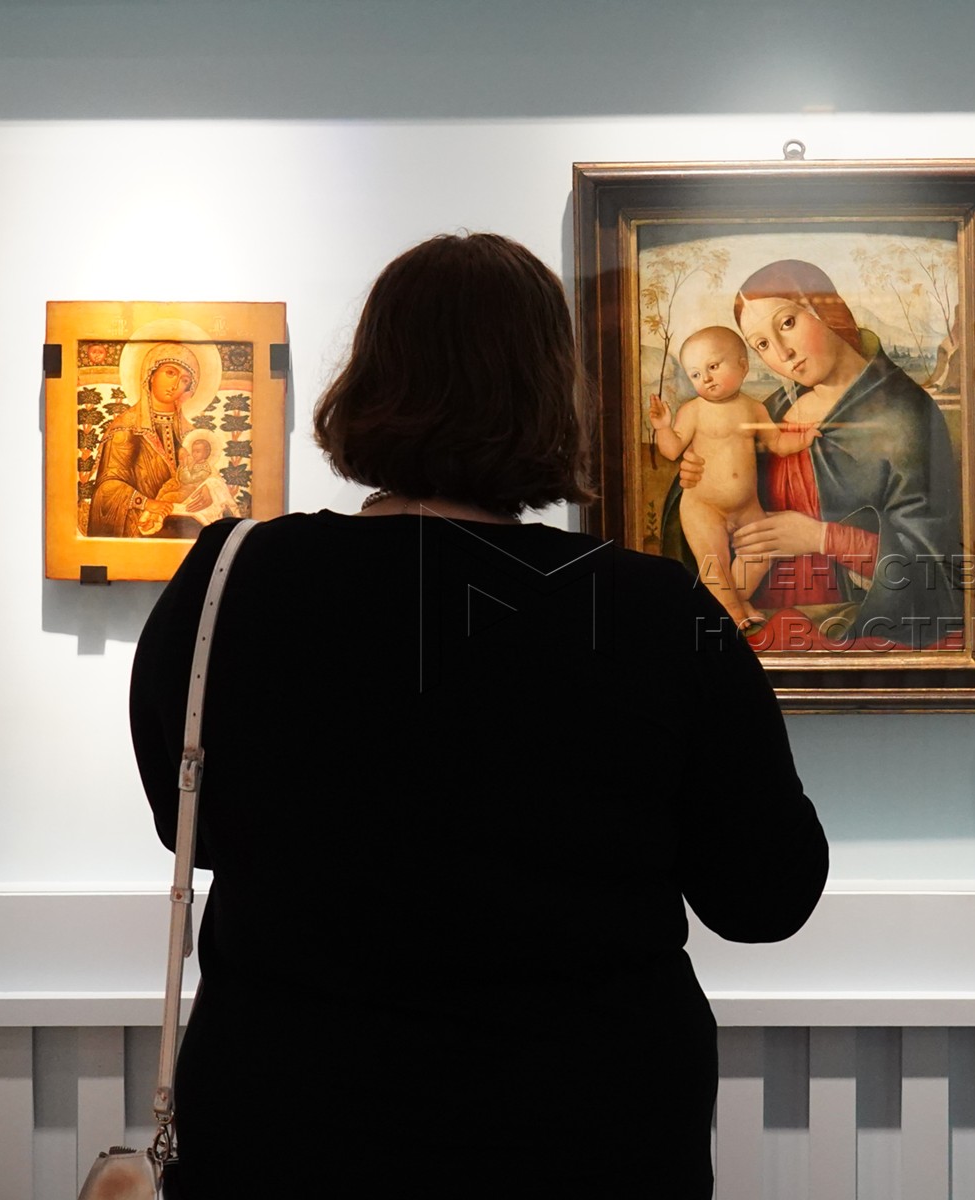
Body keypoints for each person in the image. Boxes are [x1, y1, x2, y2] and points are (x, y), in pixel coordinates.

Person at [129, 232, 828, 1198]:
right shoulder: (650, 610)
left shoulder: (236, 575)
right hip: (580, 1132)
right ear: (552, 395)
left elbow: (190, 825)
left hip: (293, 1120)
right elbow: (765, 896)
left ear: (367, 380)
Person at [665, 258, 964, 650]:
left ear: (828, 310)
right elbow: (709, 512)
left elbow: (933, 567)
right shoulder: (772, 409)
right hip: (751, 628)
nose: (783, 353)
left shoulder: (905, 416)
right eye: (762, 345)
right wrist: (695, 473)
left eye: (788, 322)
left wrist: (821, 537)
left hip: (850, 630)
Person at [650, 326, 820, 633]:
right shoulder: (693, 411)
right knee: (714, 564)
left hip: (747, 507)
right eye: (696, 374)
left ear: (743, 366)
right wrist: (663, 428)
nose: (706, 379)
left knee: (761, 553)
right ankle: (731, 609)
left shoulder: (754, 408)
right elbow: (672, 450)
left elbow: (777, 443)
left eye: (713, 367)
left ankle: (733, 603)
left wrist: (804, 439)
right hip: (704, 507)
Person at [88, 343, 201, 538]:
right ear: (151, 374)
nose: (175, 385)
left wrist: (209, 491)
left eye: (185, 380)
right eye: (170, 373)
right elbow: (106, 490)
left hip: (184, 530)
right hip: (138, 529)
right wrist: (146, 503)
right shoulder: (126, 429)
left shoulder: (192, 435)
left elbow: (207, 474)